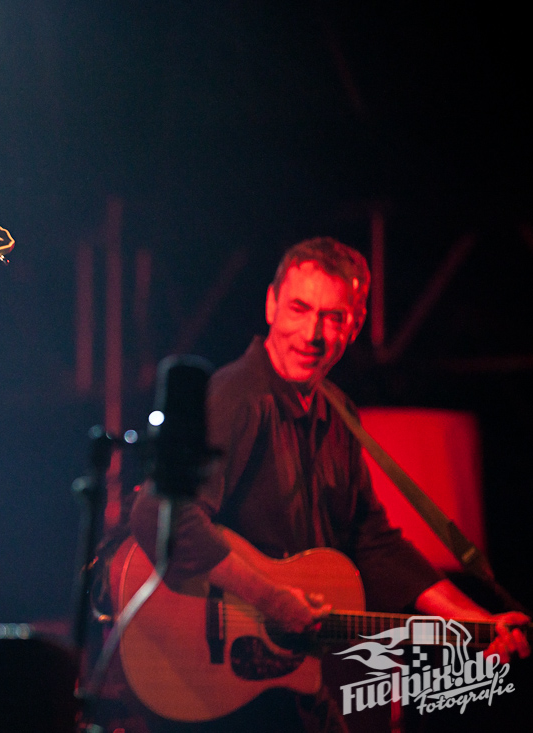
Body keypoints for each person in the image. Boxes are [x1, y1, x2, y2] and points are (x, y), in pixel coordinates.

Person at [126, 237, 528, 731]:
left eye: (333, 317)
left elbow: (371, 541)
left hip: (295, 681)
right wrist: (270, 598)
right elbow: (161, 515)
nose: (312, 333)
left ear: (354, 326)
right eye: (299, 308)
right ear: (272, 306)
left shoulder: (337, 412)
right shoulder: (239, 396)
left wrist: (475, 622)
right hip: (225, 680)